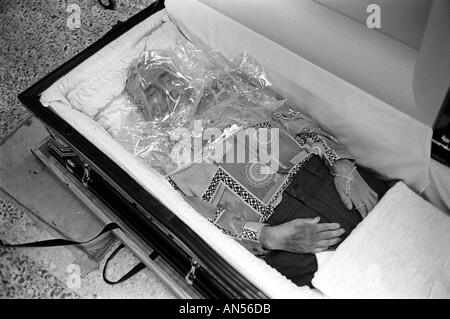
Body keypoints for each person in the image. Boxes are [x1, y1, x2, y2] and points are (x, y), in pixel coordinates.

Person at [124, 48, 391, 287]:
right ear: (143, 110)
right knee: (353, 286)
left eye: (166, 76)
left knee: (405, 238)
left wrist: (341, 163)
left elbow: (292, 117)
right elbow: (204, 220)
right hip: (283, 235)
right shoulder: (164, 159)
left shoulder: (227, 88)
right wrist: (270, 237)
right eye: (151, 91)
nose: (167, 88)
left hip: (323, 178)